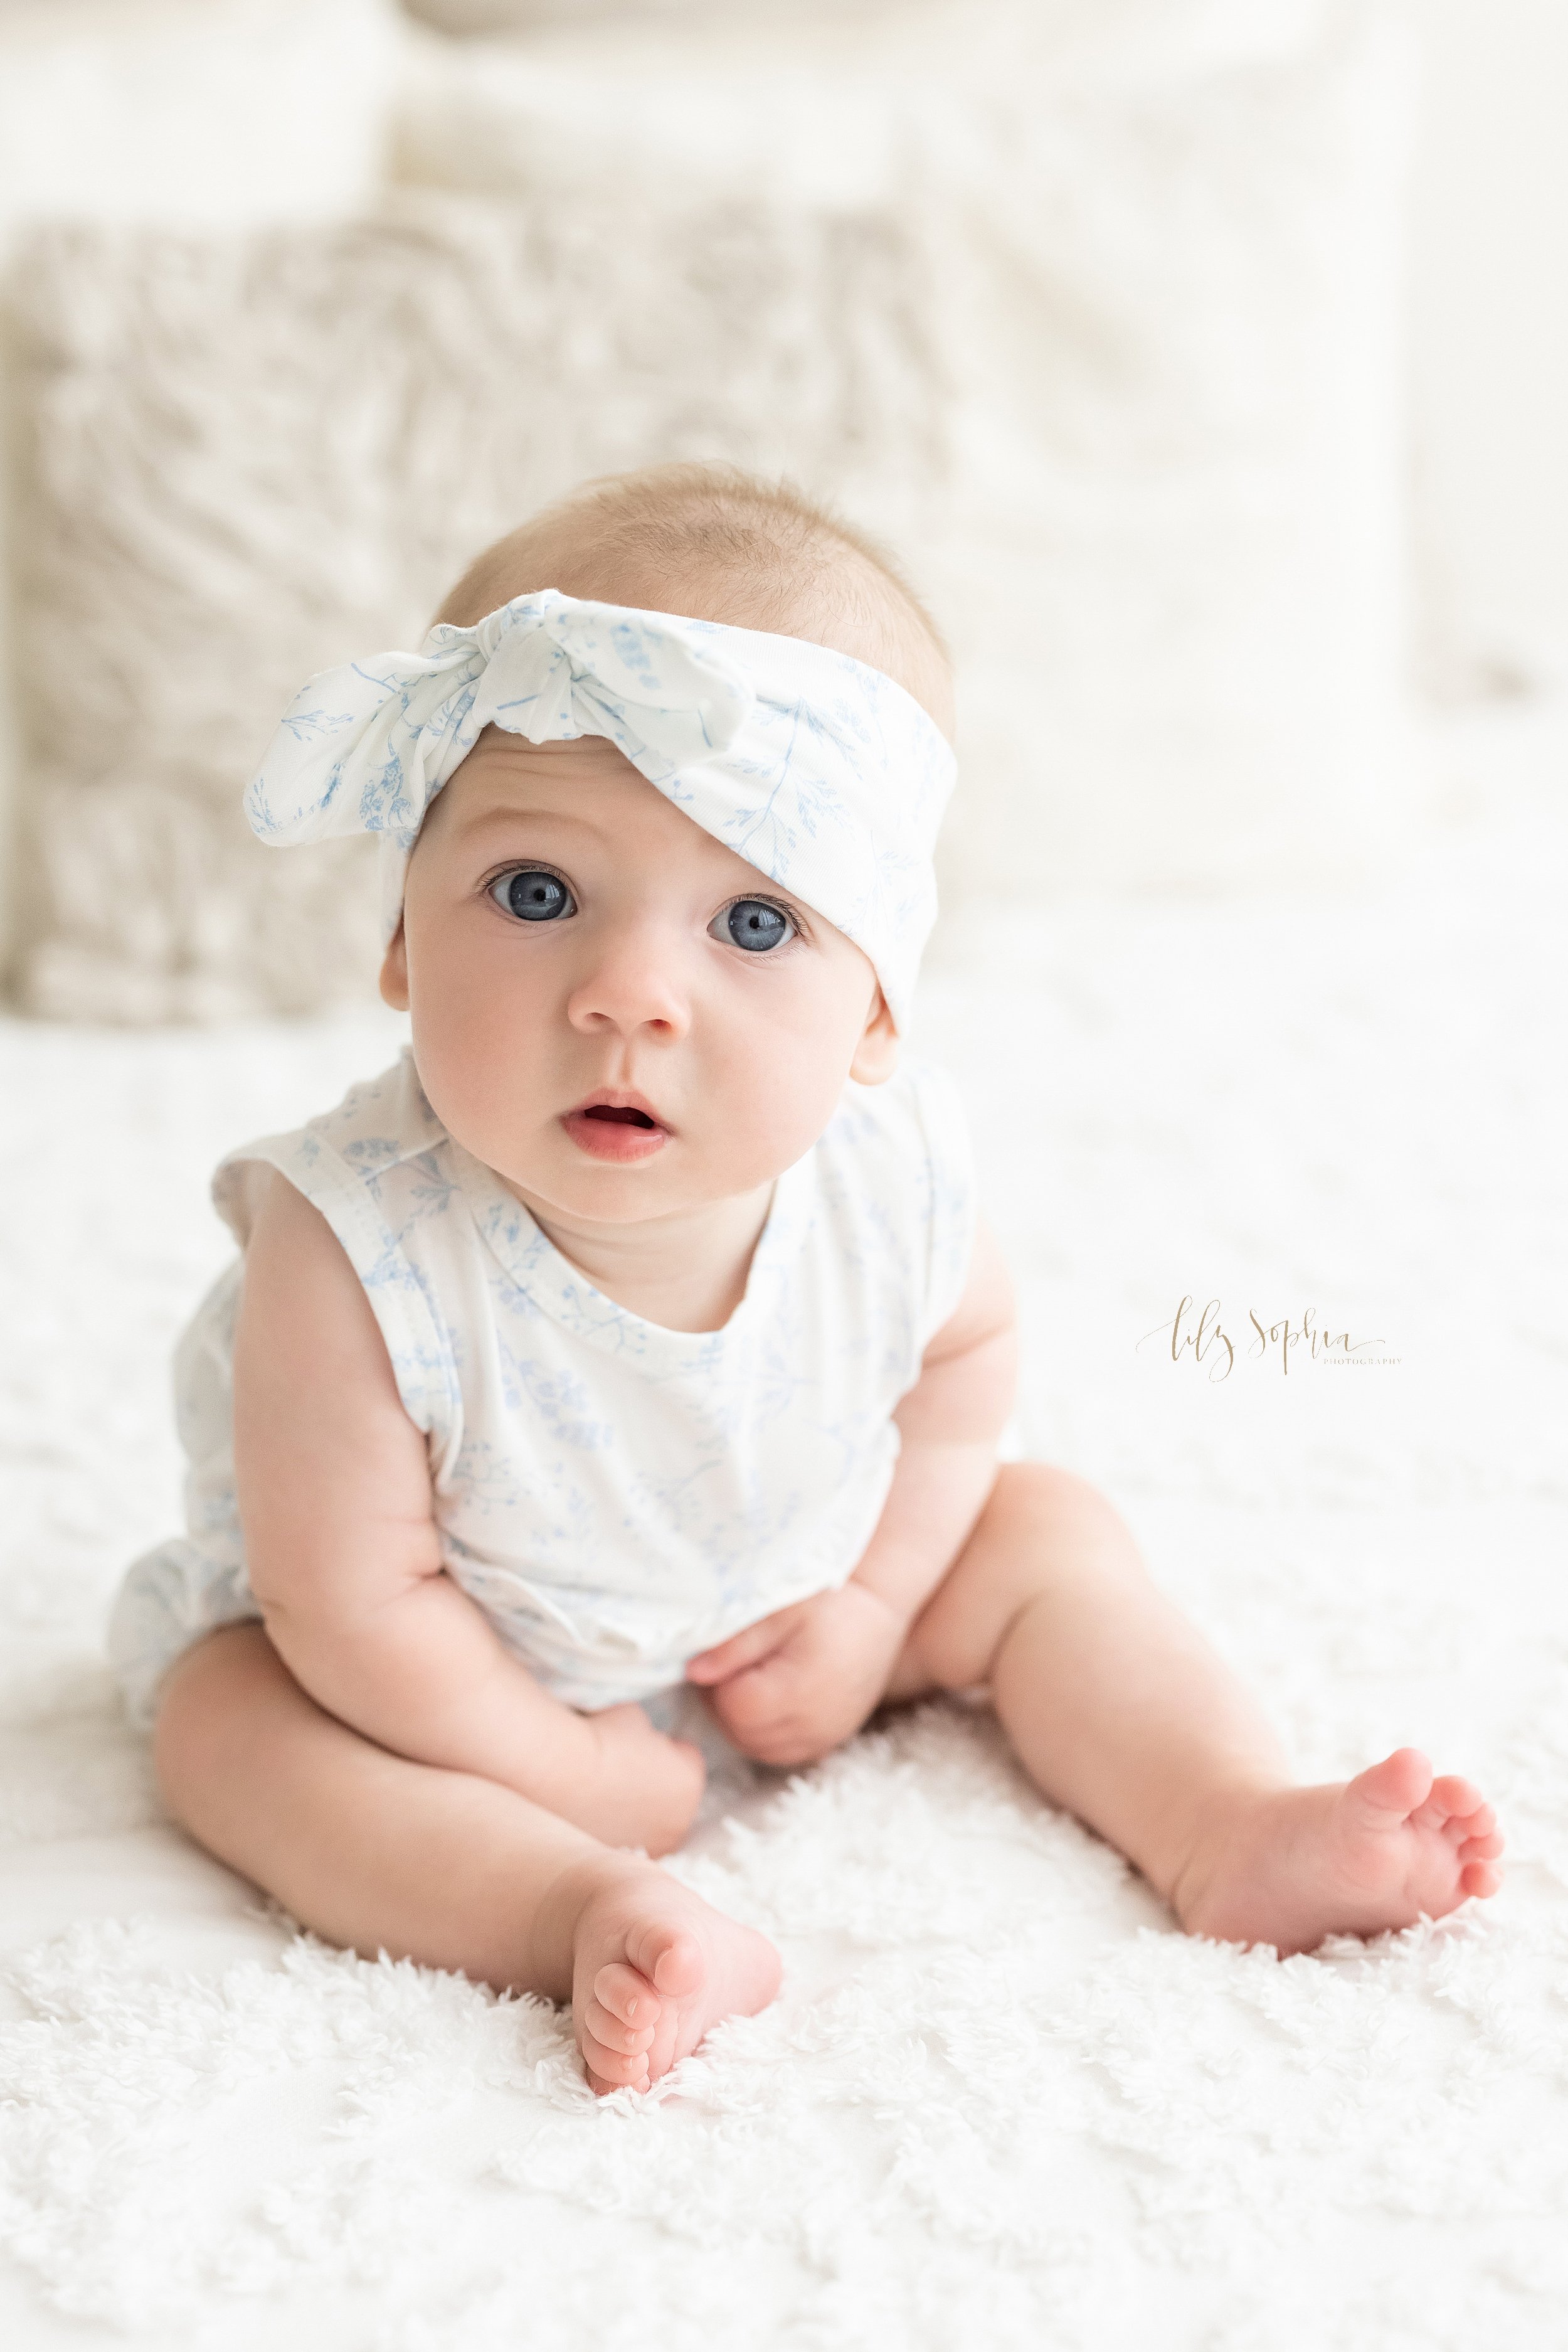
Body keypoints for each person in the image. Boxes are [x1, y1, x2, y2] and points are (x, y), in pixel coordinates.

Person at [110, 464, 1503, 2097]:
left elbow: (962, 1368)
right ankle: (577, 1911)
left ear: (873, 1013)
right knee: (228, 1727)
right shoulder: (349, 1247)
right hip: (453, 1680)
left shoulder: (886, 1174)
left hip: (785, 1586)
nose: (630, 995)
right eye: (537, 893)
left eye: (755, 922)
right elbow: (350, 1603)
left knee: (1046, 1531)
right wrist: (557, 1768)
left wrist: (869, 1604)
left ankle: (1223, 1816)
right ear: (405, 937)